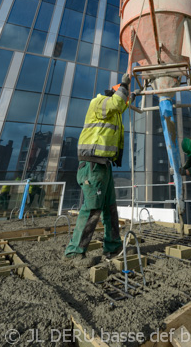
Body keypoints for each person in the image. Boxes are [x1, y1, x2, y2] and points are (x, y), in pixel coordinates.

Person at [64, 73, 132, 260]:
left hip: (104, 165)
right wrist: (125, 85)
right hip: (92, 164)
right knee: (92, 208)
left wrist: (131, 97)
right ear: (115, 92)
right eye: (122, 94)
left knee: (110, 208)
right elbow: (118, 103)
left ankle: (112, 248)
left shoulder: (112, 110)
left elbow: (121, 106)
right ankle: (74, 252)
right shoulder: (99, 101)